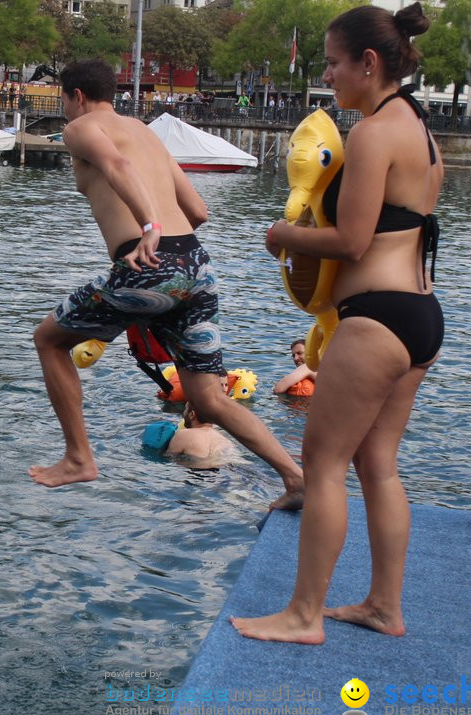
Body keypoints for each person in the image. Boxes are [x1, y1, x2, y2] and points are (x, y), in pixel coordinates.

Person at [231, 2, 444, 644]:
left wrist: (283, 234)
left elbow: (351, 241)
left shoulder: (374, 134)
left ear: (369, 63)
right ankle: (384, 605)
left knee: (322, 464)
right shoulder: (420, 127)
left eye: (332, 63)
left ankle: (303, 615)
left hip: (376, 319)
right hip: (420, 316)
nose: (327, 77)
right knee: (378, 464)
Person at [27, 59, 304, 511]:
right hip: (196, 264)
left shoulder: (80, 127)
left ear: (75, 96)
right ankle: (295, 478)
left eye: (63, 99)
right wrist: (164, 229)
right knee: (209, 399)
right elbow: (198, 210)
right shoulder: (145, 131)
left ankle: (78, 458)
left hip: (150, 261)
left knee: (49, 340)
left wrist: (149, 225)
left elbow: (115, 164)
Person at [165, 403, 239, 470]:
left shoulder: (182, 435)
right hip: (224, 472)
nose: (184, 413)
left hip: (197, 474)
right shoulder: (225, 440)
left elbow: (168, 458)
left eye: (186, 409)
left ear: (192, 414)